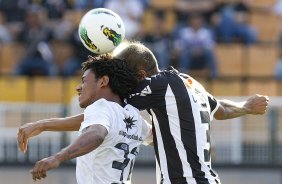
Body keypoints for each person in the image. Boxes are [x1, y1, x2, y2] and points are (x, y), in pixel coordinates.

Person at [18, 41, 269, 184]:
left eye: (124, 76)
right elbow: (221, 109)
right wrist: (246, 107)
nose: (121, 82)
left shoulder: (152, 86)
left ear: (139, 76)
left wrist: (52, 143)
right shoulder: (191, 84)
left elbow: (101, 120)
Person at [23, 54, 152, 183]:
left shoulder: (100, 106)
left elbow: (96, 134)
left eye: (84, 81)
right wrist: (42, 125)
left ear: (103, 81)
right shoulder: (136, 120)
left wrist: (58, 157)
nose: (78, 87)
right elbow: (89, 121)